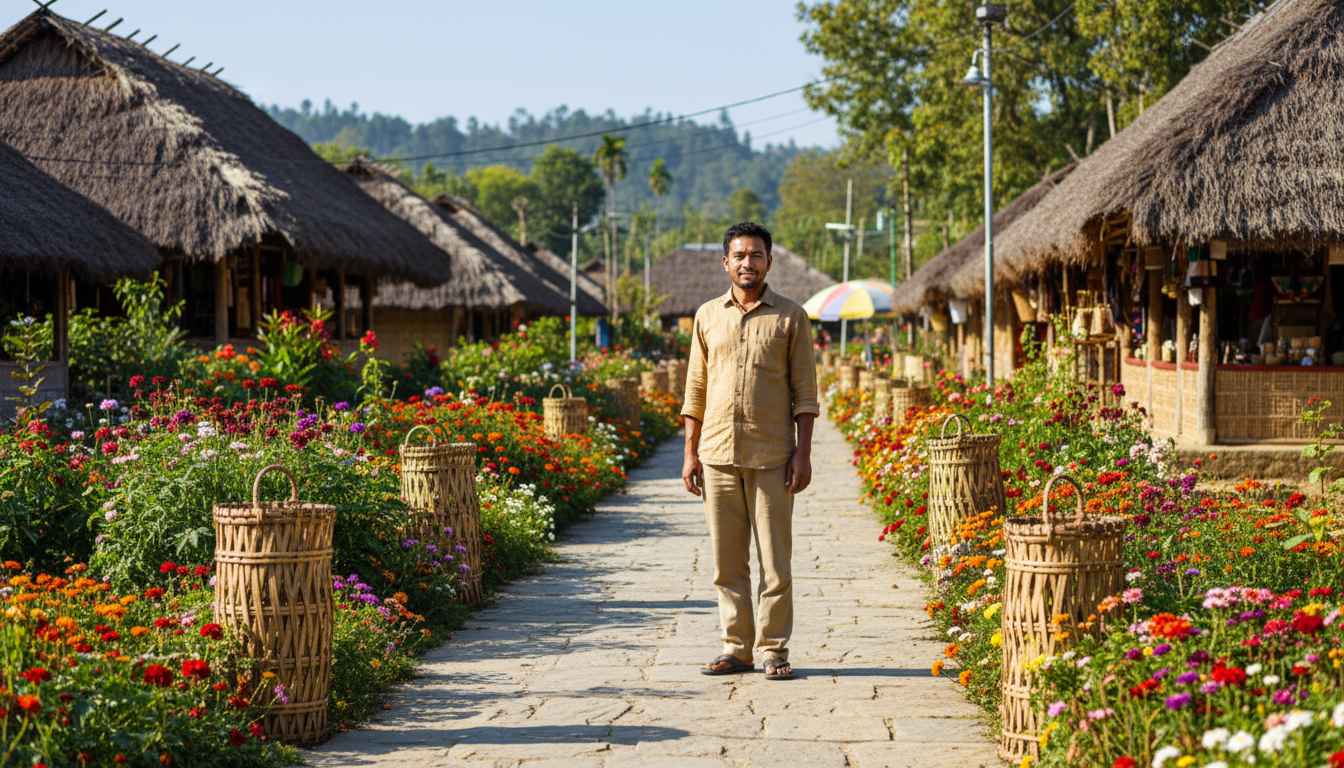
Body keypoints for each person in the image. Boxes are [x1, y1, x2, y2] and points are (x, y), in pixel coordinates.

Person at [681, 221, 819, 681]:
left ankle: (774, 649)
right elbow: (695, 389)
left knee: (775, 563)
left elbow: (805, 392)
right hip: (717, 454)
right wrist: (690, 452)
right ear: (726, 262)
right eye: (739, 255)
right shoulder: (706, 316)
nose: (747, 263)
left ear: (769, 262)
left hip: (773, 455)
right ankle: (736, 648)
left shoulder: (791, 317)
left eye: (756, 255)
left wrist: (803, 453)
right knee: (727, 562)